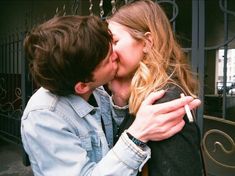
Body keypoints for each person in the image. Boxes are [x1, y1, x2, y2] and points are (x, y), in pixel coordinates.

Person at [21, 15, 201, 176]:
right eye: (109, 58)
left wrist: (119, 99)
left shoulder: (97, 89)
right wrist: (137, 134)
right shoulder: (43, 117)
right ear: (82, 86)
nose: (116, 54)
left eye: (114, 43)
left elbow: (109, 138)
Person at [107, 0, 205, 175]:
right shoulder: (138, 93)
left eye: (115, 41)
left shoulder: (163, 102)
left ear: (146, 42)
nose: (108, 52)